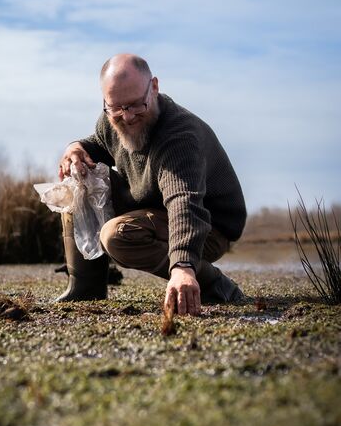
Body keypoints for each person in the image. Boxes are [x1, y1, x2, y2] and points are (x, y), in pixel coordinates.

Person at [57, 53, 247, 315]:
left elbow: (185, 202)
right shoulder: (111, 121)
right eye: (116, 108)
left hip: (207, 227)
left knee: (116, 235)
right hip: (157, 211)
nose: (128, 117)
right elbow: (98, 144)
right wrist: (74, 148)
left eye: (136, 105)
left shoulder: (179, 136)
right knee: (77, 180)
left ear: (154, 88)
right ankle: (86, 286)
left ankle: (214, 284)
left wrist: (182, 268)